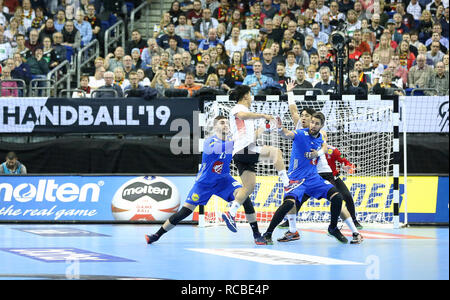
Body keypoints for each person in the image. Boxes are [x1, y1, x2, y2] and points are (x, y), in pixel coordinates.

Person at [145, 116, 267, 245]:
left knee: (245, 197)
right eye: (221, 123)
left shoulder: (232, 143)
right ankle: (156, 235)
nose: (225, 125)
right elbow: (220, 148)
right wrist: (245, 138)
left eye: (227, 123)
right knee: (185, 212)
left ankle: (257, 235)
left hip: (224, 180)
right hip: (204, 183)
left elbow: (246, 144)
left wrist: (260, 130)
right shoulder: (210, 142)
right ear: (215, 127)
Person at [262, 111, 349, 245]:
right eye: (312, 122)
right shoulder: (301, 134)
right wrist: (280, 129)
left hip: (313, 178)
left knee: (337, 197)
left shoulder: (320, 138)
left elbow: (324, 146)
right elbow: (287, 134)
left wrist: (318, 152)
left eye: (316, 123)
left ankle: (333, 228)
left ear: (321, 126)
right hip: (296, 178)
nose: (313, 125)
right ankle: (268, 233)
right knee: (289, 203)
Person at [221, 85, 290, 233]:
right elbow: (243, 115)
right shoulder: (238, 109)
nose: (251, 98)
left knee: (249, 187)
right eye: (250, 95)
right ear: (245, 95)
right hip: (244, 149)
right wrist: (263, 115)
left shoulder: (248, 117)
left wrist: (265, 127)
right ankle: (287, 184)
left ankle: (230, 213)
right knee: (275, 152)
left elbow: (251, 135)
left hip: (243, 152)